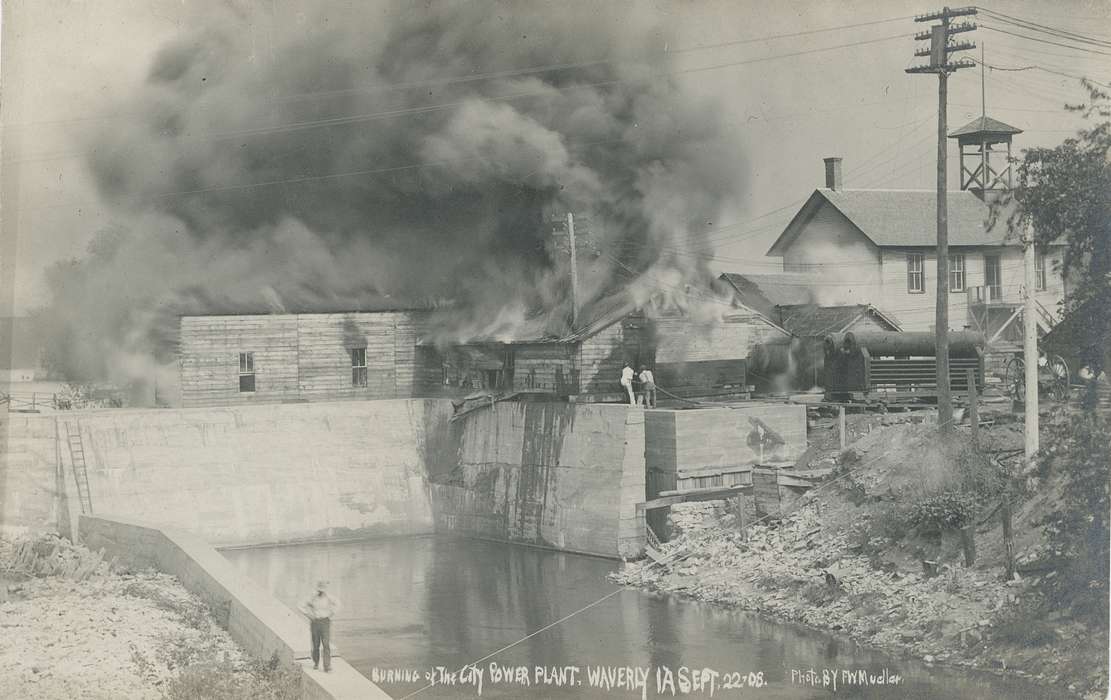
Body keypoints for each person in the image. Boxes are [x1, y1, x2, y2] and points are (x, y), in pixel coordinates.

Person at [299, 580, 340, 672]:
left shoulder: (329, 597)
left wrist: (331, 613)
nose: (321, 592)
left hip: (325, 622)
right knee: (316, 644)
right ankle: (316, 662)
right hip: (315, 622)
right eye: (319, 590)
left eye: (323, 590)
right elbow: (300, 605)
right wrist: (308, 615)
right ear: (317, 589)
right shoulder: (312, 597)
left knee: (326, 644)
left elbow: (338, 604)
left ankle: (327, 666)